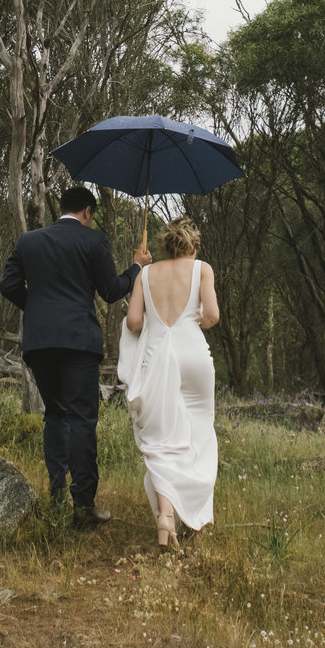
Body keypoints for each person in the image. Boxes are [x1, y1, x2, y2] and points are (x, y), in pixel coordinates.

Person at [0, 185, 150, 527]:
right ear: (87, 212)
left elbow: (7, 285)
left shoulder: (29, 241)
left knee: (55, 414)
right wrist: (136, 267)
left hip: (39, 343)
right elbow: (111, 290)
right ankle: (84, 507)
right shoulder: (93, 241)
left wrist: (37, 309)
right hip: (79, 342)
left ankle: (55, 495)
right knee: (83, 419)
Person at [119, 214, 220, 549]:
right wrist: (193, 323)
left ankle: (166, 517)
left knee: (161, 438)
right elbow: (212, 315)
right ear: (192, 245)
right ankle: (192, 512)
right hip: (193, 357)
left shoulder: (146, 274)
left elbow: (134, 321)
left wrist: (144, 278)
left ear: (164, 245)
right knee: (198, 433)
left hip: (156, 360)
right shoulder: (202, 268)